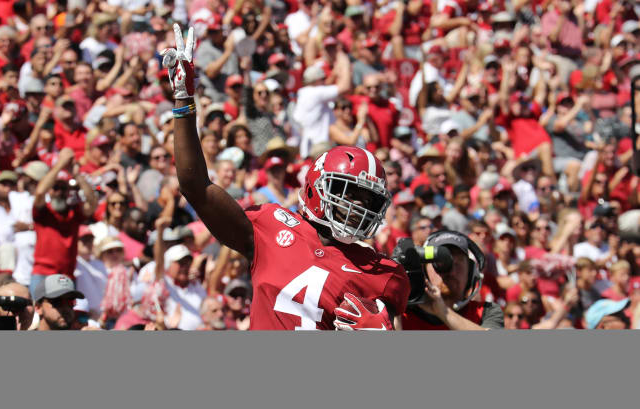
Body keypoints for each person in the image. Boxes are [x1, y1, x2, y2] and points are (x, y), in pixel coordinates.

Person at [164, 25, 409, 330]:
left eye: (368, 199)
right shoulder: (270, 226)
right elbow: (195, 186)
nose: (360, 206)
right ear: (317, 188)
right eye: (350, 193)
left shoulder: (385, 274)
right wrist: (184, 101)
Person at [399, 230, 504, 330]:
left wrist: (443, 312)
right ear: (424, 270)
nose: (451, 272)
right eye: (440, 263)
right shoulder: (402, 312)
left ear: (471, 273)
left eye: (458, 264)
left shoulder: (486, 312)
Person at [31, 147, 97, 296]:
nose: (60, 192)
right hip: (42, 274)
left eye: (64, 188)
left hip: (66, 277)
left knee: (65, 318)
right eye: (55, 188)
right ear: (51, 190)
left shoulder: (74, 213)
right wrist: (60, 165)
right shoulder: (43, 212)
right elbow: (40, 191)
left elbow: (92, 203)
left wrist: (77, 175)